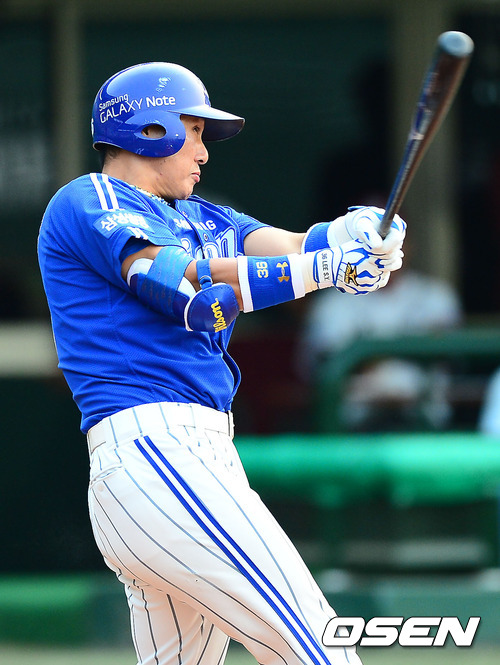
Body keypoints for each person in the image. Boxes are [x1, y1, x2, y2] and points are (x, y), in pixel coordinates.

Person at [37, 62, 405, 665]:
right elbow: (182, 286)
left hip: (193, 460)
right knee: (318, 646)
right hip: (155, 454)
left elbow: (296, 246)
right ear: (149, 128)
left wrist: (359, 234)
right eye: (194, 131)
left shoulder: (205, 217)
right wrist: (324, 270)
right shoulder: (89, 198)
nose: (204, 152)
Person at [298, 253, 462, 431]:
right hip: (353, 419)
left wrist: (375, 357)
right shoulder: (333, 301)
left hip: (425, 415)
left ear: (407, 246)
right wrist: (405, 350)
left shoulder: (435, 294)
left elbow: (446, 356)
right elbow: (327, 362)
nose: (381, 249)